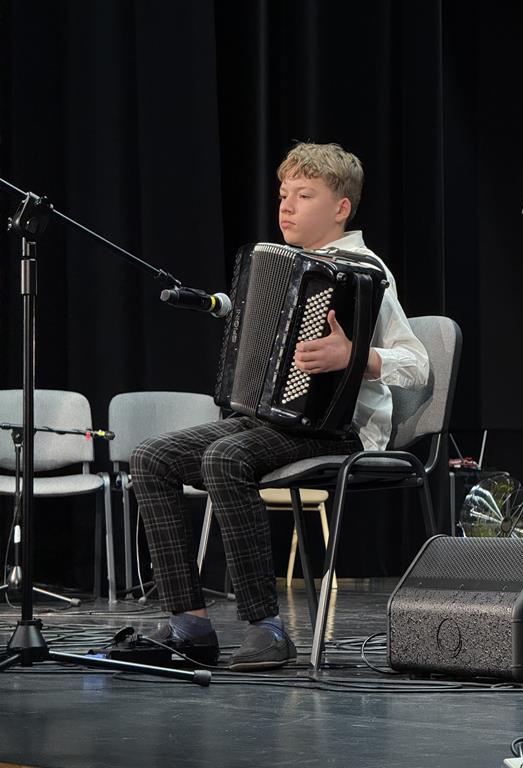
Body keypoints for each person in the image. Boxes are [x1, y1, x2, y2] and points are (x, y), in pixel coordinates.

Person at [130, 142, 429, 671]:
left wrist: (355, 356)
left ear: (341, 208)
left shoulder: (364, 272)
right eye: (283, 194)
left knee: (225, 458)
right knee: (151, 458)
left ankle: (265, 628)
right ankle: (190, 624)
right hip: (276, 423)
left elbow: (418, 365)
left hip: (341, 430)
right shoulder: (283, 264)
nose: (286, 207)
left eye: (304, 196)